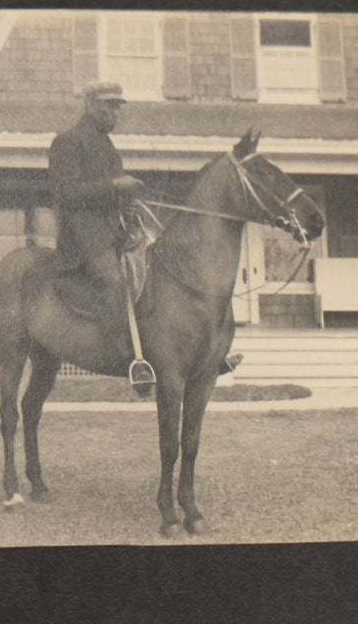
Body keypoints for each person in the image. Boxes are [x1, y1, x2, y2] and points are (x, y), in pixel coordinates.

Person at [48, 82, 242, 394]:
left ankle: (186, 351)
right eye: (108, 106)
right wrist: (115, 187)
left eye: (117, 107)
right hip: (82, 236)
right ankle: (130, 358)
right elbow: (65, 194)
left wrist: (130, 202)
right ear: (88, 104)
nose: (114, 113)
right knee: (114, 280)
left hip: (115, 231)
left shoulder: (107, 146)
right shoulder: (67, 142)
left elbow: (116, 195)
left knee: (160, 269)